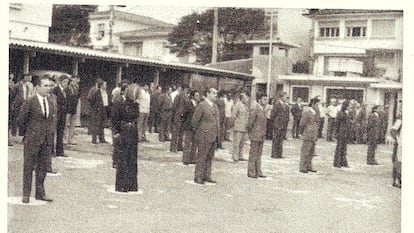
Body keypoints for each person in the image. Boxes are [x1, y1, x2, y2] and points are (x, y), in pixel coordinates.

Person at [18, 75, 56, 203]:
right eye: (45, 86)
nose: (48, 88)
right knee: (28, 167)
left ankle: (40, 193)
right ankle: (26, 194)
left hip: (46, 140)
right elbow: (21, 120)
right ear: (38, 87)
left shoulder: (50, 102)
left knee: (42, 168)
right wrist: (28, 134)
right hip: (32, 139)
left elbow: (51, 120)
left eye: (49, 86)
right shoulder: (30, 101)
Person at [111, 84, 140, 192]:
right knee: (123, 158)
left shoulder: (134, 104)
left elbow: (136, 116)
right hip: (124, 130)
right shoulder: (120, 103)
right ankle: (121, 185)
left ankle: (131, 184)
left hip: (132, 131)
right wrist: (117, 131)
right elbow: (115, 118)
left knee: (132, 158)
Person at [191, 87, 220, 184]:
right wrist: (199, 133)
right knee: (201, 157)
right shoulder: (202, 105)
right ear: (208, 94)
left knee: (209, 157)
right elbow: (195, 121)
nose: (216, 95)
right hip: (203, 135)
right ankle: (198, 176)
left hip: (213, 135)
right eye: (214, 93)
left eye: (216, 93)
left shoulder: (215, 106)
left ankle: (207, 175)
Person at [246, 94, 268, 179]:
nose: (266, 101)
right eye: (264, 99)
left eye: (266, 99)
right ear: (259, 100)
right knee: (253, 154)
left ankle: (258, 171)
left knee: (259, 154)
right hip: (255, 134)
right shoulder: (255, 109)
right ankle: (251, 172)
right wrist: (251, 133)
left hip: (261, 135)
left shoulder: (264, 110)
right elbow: (250, 123)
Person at [299, 97, 319, 173]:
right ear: (313, 104)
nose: (318, 106)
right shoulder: (307, 111)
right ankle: (303, 167)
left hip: (313, 134)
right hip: (308, 133)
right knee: (305, 151)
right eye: (317, 104)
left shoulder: (315, 112)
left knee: (311, 151)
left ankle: (309, 165)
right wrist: (302, 132)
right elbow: (302, 123)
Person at [52, 74, 69, 157]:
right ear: (60, 82)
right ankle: (51, 151)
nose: (66, 84)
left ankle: (60, 151)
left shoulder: (65, 91)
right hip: (57, 114)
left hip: (63, 114)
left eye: (67, 82)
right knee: (53, 133)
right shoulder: (55, 90)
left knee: (60, 133)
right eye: (65, 82)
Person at [87, 78, 108, 144]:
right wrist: (94, 107)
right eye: (104, 84)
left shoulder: (104, 91)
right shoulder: (95, 91)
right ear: (101, 85)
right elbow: (90, 99)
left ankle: (102, 139)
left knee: (102, 125)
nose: (106, 86)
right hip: (97, 109)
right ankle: (94, 139)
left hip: (103, 109)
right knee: (96, 124)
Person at [231, 92, 249, 162]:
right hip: (238, 126)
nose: (247, 99)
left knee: (242, 143)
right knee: (236, 143)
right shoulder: (237, 105)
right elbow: (233, 115)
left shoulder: (245, 106)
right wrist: (234, 124)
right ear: (242, 98)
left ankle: (240, 155)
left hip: (244, 127)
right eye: (246, 98)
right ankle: (235, 157)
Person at [182, 90, 199, 165]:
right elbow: (184, 114)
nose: (198, 97)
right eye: (196, 95)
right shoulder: (188, 104)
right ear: (193, 96)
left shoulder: (198, 104)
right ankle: (186, 159)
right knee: (187, 143)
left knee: (194, 143)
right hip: (189, 126)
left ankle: (192, 158)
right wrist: (186, 123)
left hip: (196, 127)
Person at [170, 85, 189, 152]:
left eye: (187, 89)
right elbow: (174, 106)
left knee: (181, 133)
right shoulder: (178, 96)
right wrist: (174, 116)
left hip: (184, 117)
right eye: (186, 89)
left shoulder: (187, 97)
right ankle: (173, 148)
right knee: (175, 133)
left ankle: (179, 146)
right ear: (183, 89)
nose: (186, 91)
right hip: (178, 116)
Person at [270, 92, 289, 158]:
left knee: (280, 139)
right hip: (277, 124)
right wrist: (274, 123)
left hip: (283, 124)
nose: (286, 98)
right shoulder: (277, 104)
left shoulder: (285, 105)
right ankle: (274, 154)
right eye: (285, 97)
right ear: (281, 97)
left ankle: (279, 153)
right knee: (276, 139)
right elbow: (273, 114)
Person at [333, 100, 351, 168]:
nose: (350, 107)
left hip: (345, 132)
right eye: (349, 106)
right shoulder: (340, 113)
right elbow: (337, 123)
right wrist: (336, 133)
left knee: (344, 148)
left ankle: (343, 161)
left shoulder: (346, 113)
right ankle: (337, 162)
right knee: (339, 148)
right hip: (341, 132)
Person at [65, 76, 80, 145]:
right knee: (65, 124)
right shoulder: (67, 89)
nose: (75, 82)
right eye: (74, 81)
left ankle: (70, 139)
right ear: (70, 82)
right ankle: (65, 139)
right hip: (67, 109)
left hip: (74, 108)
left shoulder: (76, 89)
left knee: (72, 125)